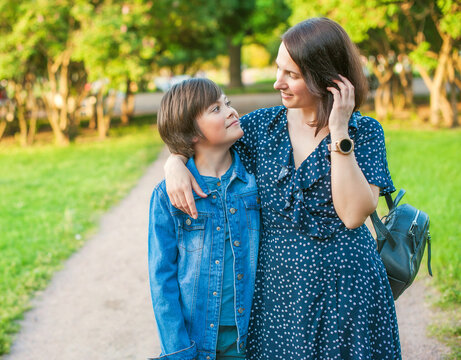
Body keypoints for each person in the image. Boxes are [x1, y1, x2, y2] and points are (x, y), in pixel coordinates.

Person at [163, 18, 401, 359]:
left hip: (349, 288)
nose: (278, 82)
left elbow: (352, 215)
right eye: (279, 70)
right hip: (279, 293)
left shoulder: (364, 133)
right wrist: (174, 161)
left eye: (292, 74)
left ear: (328, 78)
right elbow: (203, 138)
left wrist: (339, 131)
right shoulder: (262, 128)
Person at [148, 78, 261, 360]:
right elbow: (162, 279)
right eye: (215, 108)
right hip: (197, 343)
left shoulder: (254, 185)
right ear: (191, 132)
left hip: (252, 340)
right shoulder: (167, 196)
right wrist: (178, 351)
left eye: (228, 103)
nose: (231, 111)